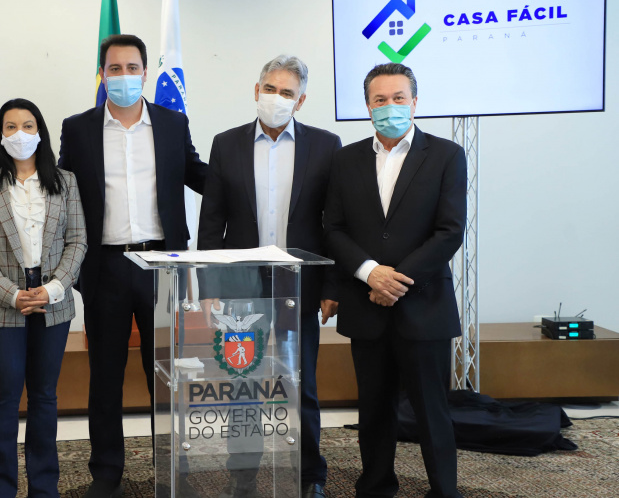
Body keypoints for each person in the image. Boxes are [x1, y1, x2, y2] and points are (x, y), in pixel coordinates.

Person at [58, 34, 207, 498]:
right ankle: (106, 473)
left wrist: (246, 179)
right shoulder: (78, 128)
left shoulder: (171, 122)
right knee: (105, 376)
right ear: (102, 74)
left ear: (145, 72)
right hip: (104, 266)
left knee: (165, 375)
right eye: (114, 68)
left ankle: (175, 467)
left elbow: (198, 174)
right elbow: (60, 190)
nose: (124, 76)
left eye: (132, 67)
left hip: (162, 263)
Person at [197, 55, 340, 498]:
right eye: (271, 89)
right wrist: (209, 286)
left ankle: (310, 475)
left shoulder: (326, 145)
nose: (277, 98)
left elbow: (335, 223)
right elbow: (212, 220)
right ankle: (242, 477)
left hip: (301, 284)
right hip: (242, 288)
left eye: (287, 92)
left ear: (301, 101)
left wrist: (332, 286)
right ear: (256, 90)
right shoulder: (226, 144)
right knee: (243, 385)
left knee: (301, 383)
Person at [323, 63, 467, 498]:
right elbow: (334, 228)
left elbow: (449, 231)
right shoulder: (345, 159)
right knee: (374, 409)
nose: (390, 106)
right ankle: (375, 486)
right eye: (380, 99)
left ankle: (444, 491)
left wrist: (396, 281)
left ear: (414, 102)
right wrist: (370, 273)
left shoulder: (446, 155)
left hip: (423, 304)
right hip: (365, 303)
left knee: (431, 411)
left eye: (398, 98)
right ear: (368, 106)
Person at [0, 98, 87, 498]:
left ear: (40, 132)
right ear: (1, 135)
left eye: (28, 126)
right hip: (1, 303)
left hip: (53, 301)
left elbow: (77, 241)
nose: (20, 134)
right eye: (11, 127)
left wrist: (54, 288)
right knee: (5, 392)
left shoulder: (65, 181)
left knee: (45, 396)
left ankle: (44, 488)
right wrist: (12, 294)